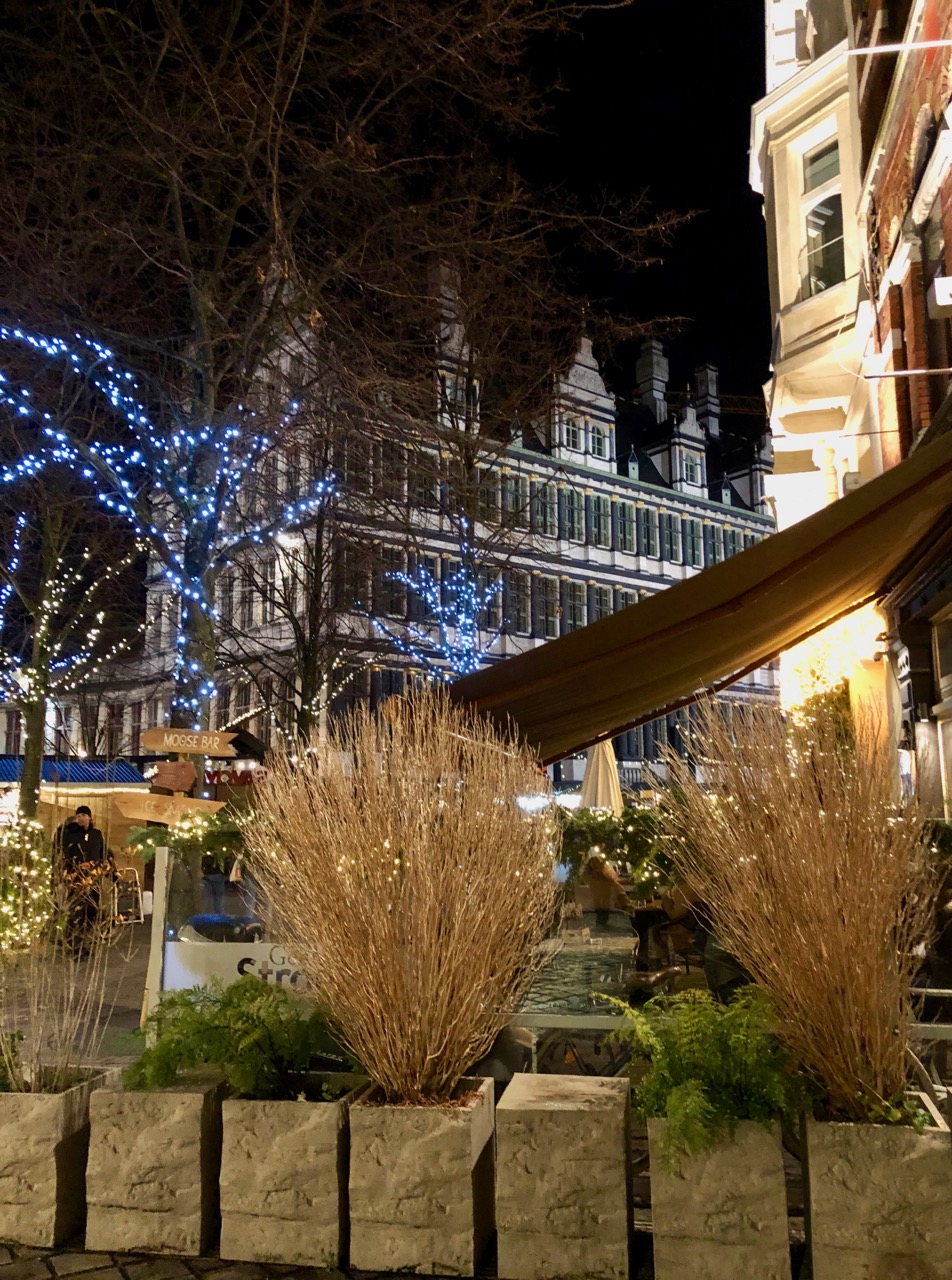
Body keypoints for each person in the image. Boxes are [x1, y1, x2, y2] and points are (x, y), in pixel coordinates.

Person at [54, 806, 109, 955]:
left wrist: (104, 866)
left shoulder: (96, 834)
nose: (80, 818)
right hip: (75, 878)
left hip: (93, 878)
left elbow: (103, 852)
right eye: (78, 815)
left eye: (84, 815)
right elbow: (59, 847)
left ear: (90, 818)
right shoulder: (70, 834)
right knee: (76, 910)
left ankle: (81, 939)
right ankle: (75, 944)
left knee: (92, 910)